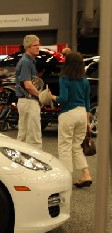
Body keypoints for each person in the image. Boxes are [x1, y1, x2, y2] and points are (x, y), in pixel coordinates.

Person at [48, 52, 93, 188]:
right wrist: (88, 121)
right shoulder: (85, 80)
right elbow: (87, 102)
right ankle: (86, 174)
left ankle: (66, 178)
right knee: (77, 146)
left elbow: (63, 99)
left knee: (65, 146)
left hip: (68, 114)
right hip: (82, 114)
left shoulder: (64, 79)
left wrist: (52, 96)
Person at [15, 34, 42, 149]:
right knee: (33, 137)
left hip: (26, 102)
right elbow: (28, 85)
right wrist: (41, 96)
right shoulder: (26, 62)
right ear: (28, 47)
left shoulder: (28, 61)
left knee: (24, 136)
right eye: (35, 45)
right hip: (29, 102)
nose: (38, 47)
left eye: (38, 45)